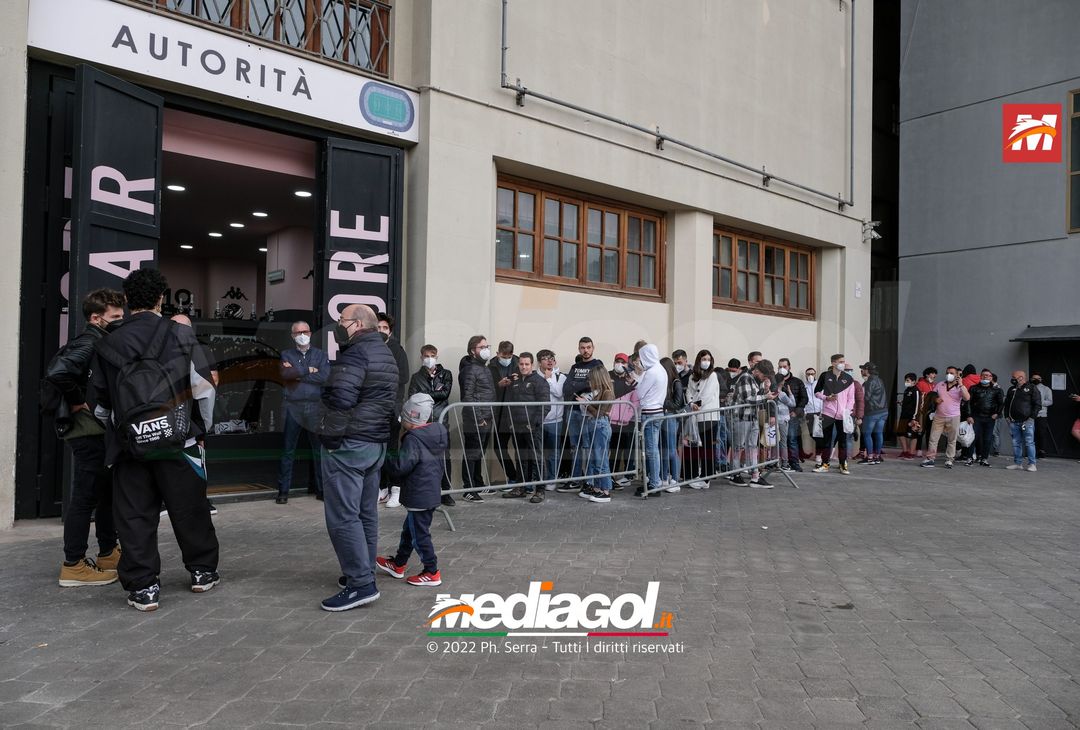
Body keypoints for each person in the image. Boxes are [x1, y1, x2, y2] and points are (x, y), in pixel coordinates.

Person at [90, 269, 219, 611]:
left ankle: (144, 587)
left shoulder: (108, 342)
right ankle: (202, 572)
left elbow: (101, 404)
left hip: (130, 444)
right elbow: (204, 391)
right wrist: (200, 430)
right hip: (180, 439)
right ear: (163, 298)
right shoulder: (182, 334)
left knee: (134, 515)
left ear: (128, 300)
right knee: (190, 508)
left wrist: (117, 431)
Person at [318, 304, 398, 611]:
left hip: (349, 445)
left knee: (343, 516)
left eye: (342, 321)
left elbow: (341, 400)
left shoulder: (355, 354)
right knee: (366, 513)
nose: (339, 326)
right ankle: (362, 572)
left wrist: (330, 439)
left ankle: (361, 584)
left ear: (357, 324)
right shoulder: (385, 353)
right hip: (374, 444)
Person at [45, 289, 124, 587]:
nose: (120, 321)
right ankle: (74, 565)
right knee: (85, 496)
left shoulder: (99, 340)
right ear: (95, 318)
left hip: (95, 430)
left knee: (104, 493)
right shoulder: (89, 341)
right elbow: (57, 372)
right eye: (114, 317)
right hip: (86, 430)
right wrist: (79, 400)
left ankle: (107, 553)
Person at [374, 393, 448, 587]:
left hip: (418, 495)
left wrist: (384, 459)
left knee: (419, 536)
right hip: (429, 493)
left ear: (411, 417)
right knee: (410, 530)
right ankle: (398, 563)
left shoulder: (413, 439)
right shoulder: (437, 432)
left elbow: (401, 467)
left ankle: (431, 571)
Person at [277, 320, 330, 504]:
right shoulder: (286, 354)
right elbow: (286, 375)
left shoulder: (321, 355)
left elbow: (323, 376)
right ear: (292, 336)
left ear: (310, 333)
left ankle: (321, 490)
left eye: (305, 331)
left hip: (315, 407)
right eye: (298, 332)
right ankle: (283, 492)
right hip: (293, 406)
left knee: (318, 451)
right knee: (288, 450)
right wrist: (308, 370)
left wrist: (298, 374)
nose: (302, 334)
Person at [408, 344, 455, 505]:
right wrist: (431, 394)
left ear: (437, 356)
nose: (429, 359)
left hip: (441, 421)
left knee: (444, 457)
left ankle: (446, 492)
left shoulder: (445, 374)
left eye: (432, 355)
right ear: (421, 357)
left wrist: (425, 395)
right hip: (423, 424)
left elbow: (445, 393)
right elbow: (413, 398)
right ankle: (427, 492)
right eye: (426, 356)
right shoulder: (416, 377)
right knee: (424, 459)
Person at [558, 337, 605, 492]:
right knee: (575, 447)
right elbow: (566, 388)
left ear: (593, 348)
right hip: (573, 410)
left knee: (588, 447)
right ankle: (575, 479)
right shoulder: (575, 366)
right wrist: (584, 384)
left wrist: (576, 385)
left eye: (588, 347)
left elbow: (597, 385)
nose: (585, 350)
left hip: (588, 412)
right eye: (583, 347)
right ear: (579, 349)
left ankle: (590, 481)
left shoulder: (597, 365)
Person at [501, 353, 550, 500]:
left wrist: (534, 423)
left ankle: (540, 490)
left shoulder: (540, 382)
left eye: (526, 364)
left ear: (532, 365)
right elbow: (510, 404)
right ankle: (520, 488)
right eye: (521, 364)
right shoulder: (514, 382)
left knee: (537, 458)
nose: (523, 367)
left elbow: (545, 406)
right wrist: (510, 422)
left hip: (532, 428)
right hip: (517, 427)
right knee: (520, 458)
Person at [376, 312, 410, 508]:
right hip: (375, 408)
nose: (381, 331)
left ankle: (395, 489)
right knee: (377, 451)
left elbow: (403, 377)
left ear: (390, 331)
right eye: (378, 328)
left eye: (385, 328)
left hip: (392, 407)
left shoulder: (397, 350)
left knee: (392, 450)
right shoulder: (371, 349)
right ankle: (381, 489)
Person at [459, 335, 496, 502]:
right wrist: (479, 418)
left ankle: (478, 484)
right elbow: (468, 396)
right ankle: (468, 488)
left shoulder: (484, 368)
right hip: (476, 419)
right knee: (472, 454)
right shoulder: (470, 369)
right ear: (473, 351)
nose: (486, 349)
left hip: (487, 417)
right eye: (482, 347)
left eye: (487, 346)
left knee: (478, 453)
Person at [730, 359, 774, 487]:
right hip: (741, 417)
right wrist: (765, 396)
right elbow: (748, 399)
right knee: (738, 446)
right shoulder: (745, 377)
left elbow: (758, 398)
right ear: (757, 371)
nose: (764, 378)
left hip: (753, 417)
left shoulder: (756, 380)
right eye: (764, 375)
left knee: (752, 447)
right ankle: (735, 474)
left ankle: (755, 476)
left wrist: (766, 390)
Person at [576, 366, 615, 503]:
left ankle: (605, 491)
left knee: (601, 459)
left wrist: (586, 404)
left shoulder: (608, 393)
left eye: (592, 379)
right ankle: (598, 488)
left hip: (600, 426)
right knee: (595, 459)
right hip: (595, 425)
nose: (590, 382)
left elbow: (600, 413)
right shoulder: (600, 392)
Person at [812, 354, 856, 475]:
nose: (843, 363)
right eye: (840, 361)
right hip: (828, 413)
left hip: (843, 415)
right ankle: (825, 464)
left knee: (843, 441)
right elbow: (816, 392)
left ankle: (843, 464)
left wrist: (847, 411)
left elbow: (851, 398)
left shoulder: (848, 378)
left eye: (843, 361)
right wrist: (826, 398)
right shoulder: (825, 376)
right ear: (833, 363)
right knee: (826, 440)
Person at [921, 365, 970, 469]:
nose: (949, 375)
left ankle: (949, 460)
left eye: (952, 373)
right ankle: (930, 459)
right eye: (947, 372)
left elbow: (967, 398)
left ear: (957, 375)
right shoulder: (940, 384)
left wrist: (961, 384)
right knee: (933, 438)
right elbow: (932, 395)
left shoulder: (960, 387)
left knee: (952, 440)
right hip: (939, 416)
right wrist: (935, 399)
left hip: (954, 416)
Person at [635, 344, 667, 498]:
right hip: (658, 411)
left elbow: (640, 394)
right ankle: (656, 480)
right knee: (654, 449)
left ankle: (654, 483)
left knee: (651, 450)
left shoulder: (651, 372)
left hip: (649, 413)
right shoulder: (661, 369)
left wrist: (637, 381)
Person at [685, 350, 721, 489]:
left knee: (707, 448)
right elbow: (689, 391)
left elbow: (707, 394)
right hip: (696, 417)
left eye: (708, 359)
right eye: (703, 359)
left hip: (709, 416)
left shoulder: (712, 375)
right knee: (696, 447)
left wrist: (697, 404)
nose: (706, 361)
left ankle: (707, 478)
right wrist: (690, 403)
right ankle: (696, 474)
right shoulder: (693, 376)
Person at [489, 341, 522, 487]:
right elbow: (487, 389)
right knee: (498, 447)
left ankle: (523, 480)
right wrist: (498, 385)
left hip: (516, 413)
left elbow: (528, 385)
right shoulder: (491, 366)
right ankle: (513, 476)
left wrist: (517, 380)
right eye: (503, 356)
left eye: (509, 355)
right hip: (499, 414)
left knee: (520, 448)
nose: (506, 358)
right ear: (497, 354)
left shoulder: (520, 364)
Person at [536, 350, 567, 499]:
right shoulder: (534, 377)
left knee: (554, 452)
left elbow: (559, 393)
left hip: (555, 421)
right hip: (539, 421)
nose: (549, 361)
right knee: (539, 453)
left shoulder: (560, 377)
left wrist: (549, 380)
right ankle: (538, 480)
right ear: (539, 362)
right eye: (545, 359)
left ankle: (551, 479)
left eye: (551, 358)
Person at [608, 353, 639, 489]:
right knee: (612, 451)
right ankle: (609, 477)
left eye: (623, 362)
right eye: (617, 361)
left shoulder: (631, 378)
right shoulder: (608, 376)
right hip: (610, 421)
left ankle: (619, 476)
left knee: (623, 450)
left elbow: (636, 400)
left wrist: (627, 415)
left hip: (626, 422)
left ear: (627, 364)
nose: (619, 364)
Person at [1003, 370, 1041, 472]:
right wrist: (1006, 417)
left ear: (1021, 377)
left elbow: (1037, 405)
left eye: (1014, 377)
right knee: (1016, 443)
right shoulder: (1012, 389)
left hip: (1027, 421)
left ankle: (1032, 464)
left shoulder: (1032, 388)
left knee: (1029, 443)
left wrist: (1031, 418)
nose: (1012, 379)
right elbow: (1006, 404)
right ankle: (1017, 463)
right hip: (1013, 421)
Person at [965, 368, 1003, 466]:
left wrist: (997, 413)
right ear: (980, 376)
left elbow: (1001, 403)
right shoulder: (973, 388)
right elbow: (968, 402)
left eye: (987, 375)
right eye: (983, 375)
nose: (985, 377)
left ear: (991, 378)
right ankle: (969, 458)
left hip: (990, 418)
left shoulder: (997, 390)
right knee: (972, 438)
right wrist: (969, 415)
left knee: (988, 439)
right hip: (976, 417)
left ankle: (984, 459)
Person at [776, 358, 808, 472]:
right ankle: (778, 462)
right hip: (777, 417)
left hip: (793, 415)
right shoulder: (774, 380)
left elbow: (804, 398)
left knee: (792, 439)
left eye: (784, 366)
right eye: (780, 366)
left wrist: (796, 411)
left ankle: (793, 462)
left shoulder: (797, 381)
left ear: (789, 367)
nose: (782, 369)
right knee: (778, 441)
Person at [659, 357, 685, 491]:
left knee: (671, 449)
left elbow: (677, 403)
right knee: (664, 449)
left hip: (671, 417)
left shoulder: (676, 383)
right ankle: (664, 478)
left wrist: (661, 402)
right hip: (663, 416)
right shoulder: (665, 383)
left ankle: (675, 479)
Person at [858, 362, 888, 465]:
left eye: (863, 369)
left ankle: (870, 457)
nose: (862, 371)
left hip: (872, 412)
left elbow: (866, 397)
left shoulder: (869, 382)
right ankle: (877, 456)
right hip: (883, 411)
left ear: (867, 370)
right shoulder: (880, 380)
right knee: (878, 433)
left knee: (867, 434)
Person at [896, 373, 922, 460]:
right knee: (900, 433)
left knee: (912, 435)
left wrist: (914, 418)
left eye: (908, 380)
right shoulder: (907, 390)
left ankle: (911, 453)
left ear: (914, 381)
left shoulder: (916, 391)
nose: (906, 382)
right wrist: (901, 403)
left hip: (912, 417)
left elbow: (917, 405)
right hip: (903, 415)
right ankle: (905, 451)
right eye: (905, 380)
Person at [802, 366, 823, 467]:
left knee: (818, 434)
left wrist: (823, 411)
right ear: (806, 375)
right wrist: (805, 411)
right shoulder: (803, 385)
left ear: (815, 374)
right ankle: (822, 449)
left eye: (812, 374)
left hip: (819, 412)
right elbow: (802, 399)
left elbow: (823, 398)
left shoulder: (820, 384)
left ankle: (819, 454)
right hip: (809, 413)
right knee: (812, 434)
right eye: (808, 374)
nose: (810, 375)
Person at [915, 367, 938, 456]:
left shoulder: (935, 385)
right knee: (921, 431)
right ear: (927, 374)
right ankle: (919, 449)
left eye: (935, 374)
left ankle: (929, 449)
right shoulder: (920, 384)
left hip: (932, 411)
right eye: (932, 373)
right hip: (922, 411)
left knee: (930, 431)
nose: (934, 375)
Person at [1031, 372, 1054, 458]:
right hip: (1029, 415)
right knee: (1030, 433)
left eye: (1038, 378)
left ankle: (1041, 452)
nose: (1036, 380)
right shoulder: (1028, 388)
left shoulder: (1046, 389)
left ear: (1041, 380)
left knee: (1041, 433)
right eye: (1034, 378)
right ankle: (1032, 452)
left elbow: (1050, 401)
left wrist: (1038, 402)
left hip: (1041, 415)